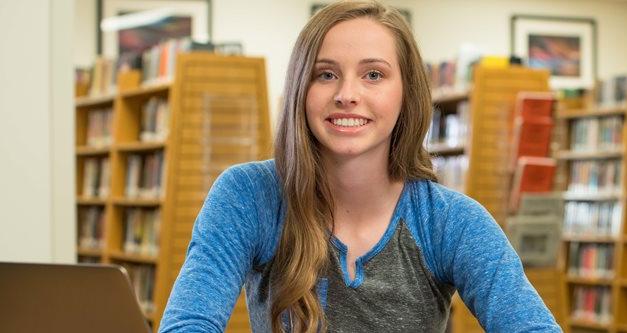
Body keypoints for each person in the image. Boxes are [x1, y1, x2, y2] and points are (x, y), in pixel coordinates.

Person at [158, 1, 560, 332]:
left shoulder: (452, 222)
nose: (347, 94)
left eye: (373, 75)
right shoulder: (249, 194)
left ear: (407, 94)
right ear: (301, 88)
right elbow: (188, 323)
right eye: (326, 74)